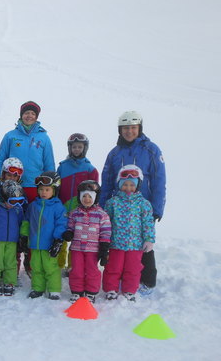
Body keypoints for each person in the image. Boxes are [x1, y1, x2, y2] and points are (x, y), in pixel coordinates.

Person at [100, 111, 166, 295]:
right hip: (118, 207)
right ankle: (118, 279)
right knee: (117, 245)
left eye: (133, 128)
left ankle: (146, 280)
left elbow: (160, 181)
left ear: (139, 129)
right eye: (125, 128)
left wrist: (157, 209)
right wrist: (103, 209)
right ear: (120, 130)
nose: (129, 131)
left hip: (142, 207)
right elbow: (106, 181)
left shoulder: (151, 150)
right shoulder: (114, 153)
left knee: (143, 245)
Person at [102, 165, 155, 301]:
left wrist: (149, 239)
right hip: (116, 244)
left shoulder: (144, 204)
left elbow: (148, 223)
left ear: (138, 186)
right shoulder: (112, 202)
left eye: (132, 185)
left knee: (133, 269)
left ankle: (130, 290)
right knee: (113, 268)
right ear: (119, 184)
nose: (128, 188)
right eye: (125, 184)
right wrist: (104, 239)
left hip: (135, 245)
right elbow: (106, 223)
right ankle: (111, 289)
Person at [0, 101, 55, 202]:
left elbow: (49, 163)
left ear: (36, 117)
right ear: (21, 115)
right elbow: (0, 160)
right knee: (13, 214)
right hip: (12, 184)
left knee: (33, 215)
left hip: (35, 185)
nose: (29, 116)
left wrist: (50, 186)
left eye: (33, 113)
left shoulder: (43, 138)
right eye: (26, 113)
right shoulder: (10, 136)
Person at [20, 171, 67, 300]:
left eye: (47, 189)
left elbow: (61, 224)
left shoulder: (58, 207)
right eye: (41, 189)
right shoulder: (33, 206)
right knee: (36, 268)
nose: (43, 192)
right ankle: (38, 288)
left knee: (51, 268)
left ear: (54, 190)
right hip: (35, 244)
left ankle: (54, 289)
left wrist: (58, 240)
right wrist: (24, 236)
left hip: (50, 245)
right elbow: (26, 221)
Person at [62, 181, 111, 303]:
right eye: (84, 196)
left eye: (90, 196)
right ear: (79, 197)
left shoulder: (102, 215)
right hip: (77, 248)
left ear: (95, 198)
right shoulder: (75, 213)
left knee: (92, 271)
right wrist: (69, 232)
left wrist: (104, 249)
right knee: (76, 270)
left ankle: (91, 292)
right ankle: (77, 291)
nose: (87, 199)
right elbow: (70, 227)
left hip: (93, 250)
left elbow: (105, 232)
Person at [56, 133, 99, 272]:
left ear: (85, 148)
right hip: (62, 207)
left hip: (80, 209)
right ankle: (59, 264)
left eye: (80, 147)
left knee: (76, 238)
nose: (76, 149)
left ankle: (72, 266)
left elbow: (94, 192)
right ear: (70, 148)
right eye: (74, 147)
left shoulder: (90, 169)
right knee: (61, 235)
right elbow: (56, 187)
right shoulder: (62, 167)